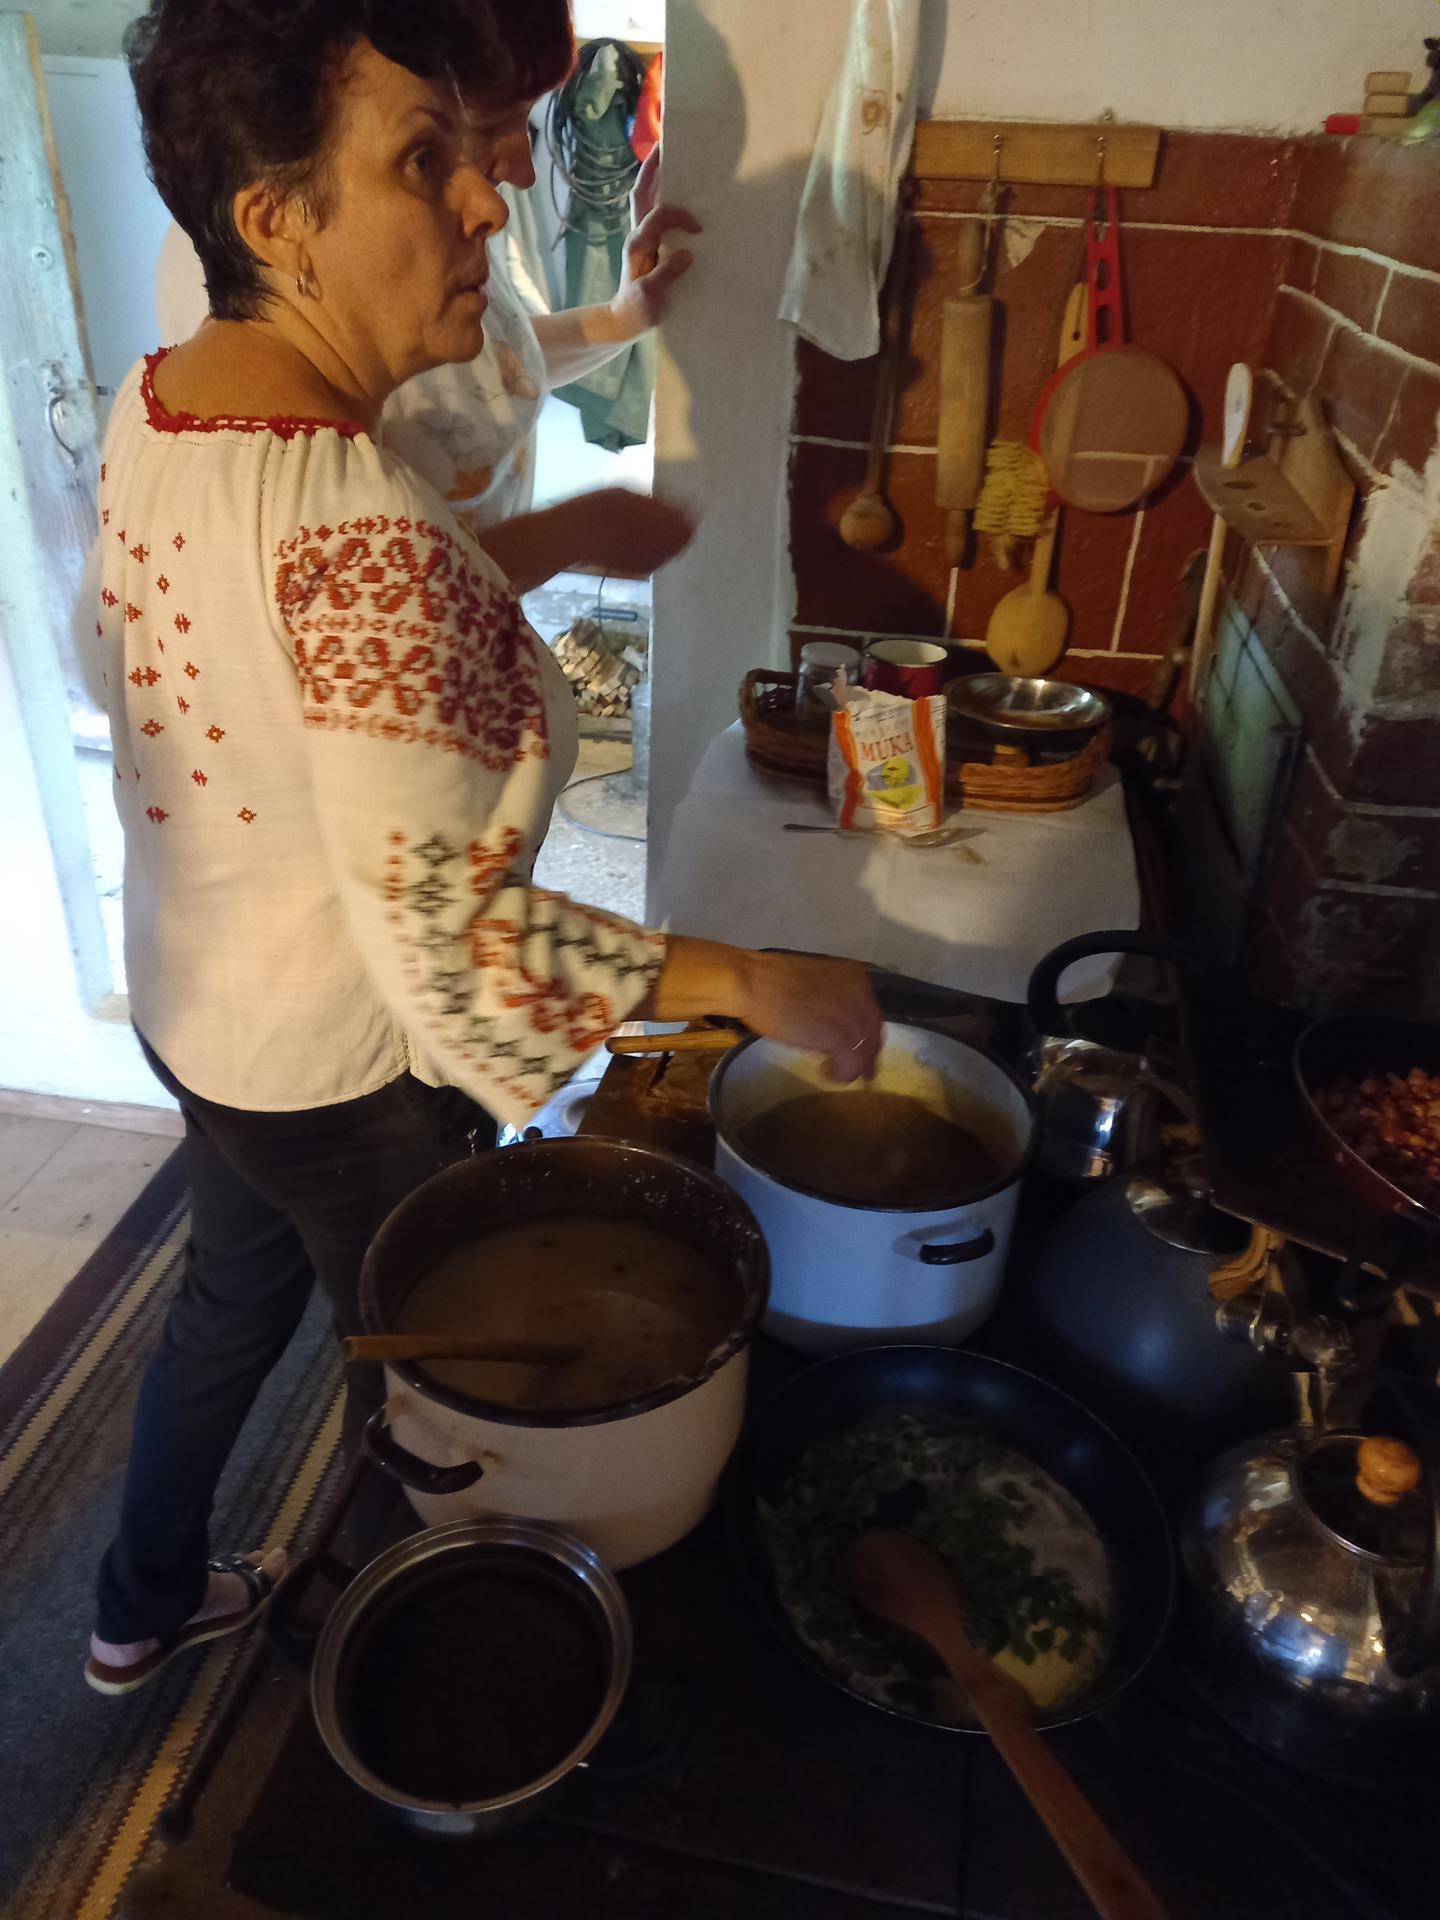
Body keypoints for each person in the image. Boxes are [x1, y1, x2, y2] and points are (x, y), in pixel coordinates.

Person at [84, 0, 882, 1697]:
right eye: (425, 159)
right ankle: (458, 1673)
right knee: (446, 1386)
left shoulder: (159, 404)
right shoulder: (369, 532)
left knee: (229, 1300)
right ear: (277, 220)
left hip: (197, 1011)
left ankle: (137, 1606)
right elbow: (457, 958)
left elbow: (142, 676)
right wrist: (751, 980)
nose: (488, 196)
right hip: (330, 1062)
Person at [153, 141, 694, 531]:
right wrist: (570, 535)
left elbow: (495, 369)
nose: (524, 173)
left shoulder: (431, 226)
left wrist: (621, 318)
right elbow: (374, 581)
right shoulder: (256, 291)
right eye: (489, 117)